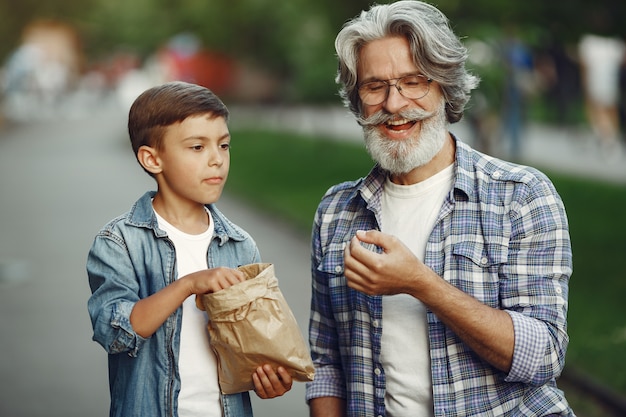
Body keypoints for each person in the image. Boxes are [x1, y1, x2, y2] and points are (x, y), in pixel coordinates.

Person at [306, 2, 574, 417]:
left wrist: (421, 284)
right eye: (374, 86)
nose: (394, 105)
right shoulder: (336, 211)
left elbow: (543, 356)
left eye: (413, 82)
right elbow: (326, 364)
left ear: (445, 87)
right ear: (357, 100)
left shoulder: (521, 195)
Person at [87, 81, 292, 417]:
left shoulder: (240, 245)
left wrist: (268, 377)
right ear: (152, 158)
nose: (217, 160)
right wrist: (188, 284)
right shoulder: (120, 242)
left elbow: (251, 347)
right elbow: (114, 333)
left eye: (224, 145)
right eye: (197, 147)